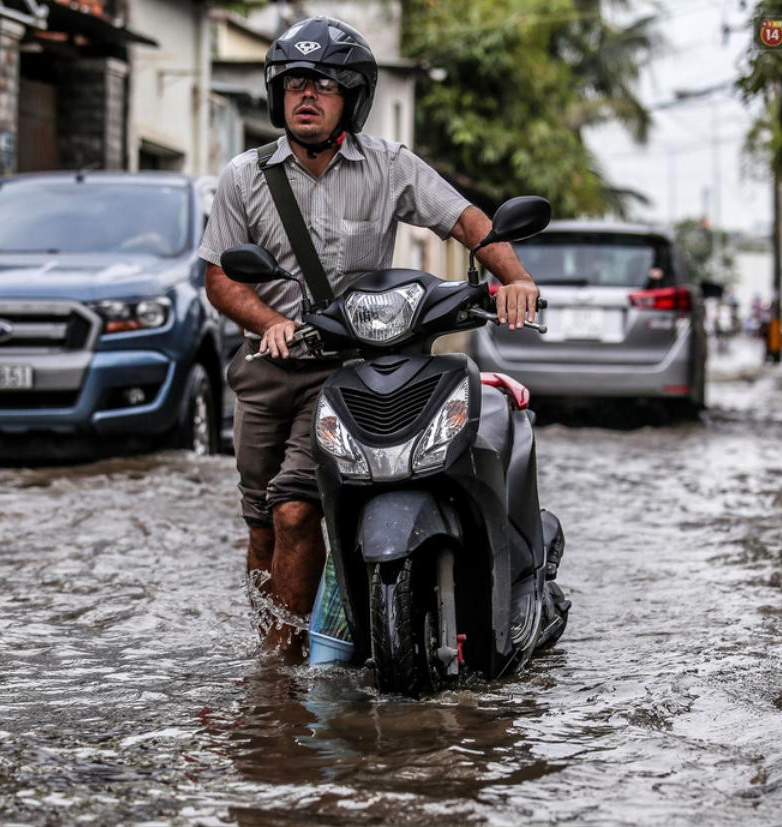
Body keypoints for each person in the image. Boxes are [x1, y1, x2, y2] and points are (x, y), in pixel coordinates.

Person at [197, 16, 542, 656]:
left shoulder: (389, 166)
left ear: (350, 98)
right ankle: (277, 661)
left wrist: (516, 280)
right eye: (295, 83)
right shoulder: (244, 176)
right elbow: (219, 278)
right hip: (269, 364)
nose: (307, 96)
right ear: (277, 95)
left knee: (297, 510)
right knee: (263, 525)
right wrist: (269, 323)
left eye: (324, 86)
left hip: (350, 368)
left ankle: (304, 662)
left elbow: (468, 222)